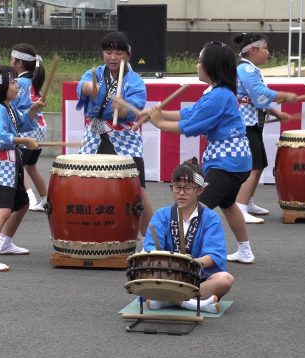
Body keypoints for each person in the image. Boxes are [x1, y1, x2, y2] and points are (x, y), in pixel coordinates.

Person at [142, 41, 256, 264]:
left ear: (210, 66)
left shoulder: (218, 96)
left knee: (196, 206)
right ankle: (245, 250)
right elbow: (190, 113)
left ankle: (187, 254)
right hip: (235, 161)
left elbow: (193, 126)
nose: (196, 65)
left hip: (227, 163)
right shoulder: (218, 93)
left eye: (200, 61)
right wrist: (161, 114)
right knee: (228, 203)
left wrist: (159, 123)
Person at [76, 31, 153, 236]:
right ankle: (95, 232)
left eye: (118, 53)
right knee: (91, 184)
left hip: (124, 138)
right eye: (108, 52)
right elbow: (81, 87)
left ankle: (153, 239)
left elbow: (136, 108)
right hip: (95, 135)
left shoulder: (135, 81)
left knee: (137, 189)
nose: (112, 57)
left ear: (128, 55)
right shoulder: (95, 73)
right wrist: (88, 88)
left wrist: (124, 106)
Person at [0, 65, 46, 271]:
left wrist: (33, 110)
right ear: (1, 87)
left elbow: (23, 123)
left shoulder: (9, 107)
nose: (17, 85)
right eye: (13, 82)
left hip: (11, 162)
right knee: (3, 210)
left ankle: (4, 242)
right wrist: (23, 139)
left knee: (22, 203)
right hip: (0, 164)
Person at [142, 158, 234, 313]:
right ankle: (193, 303)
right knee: (144, 273)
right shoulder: (161, 215)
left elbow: (214, 255)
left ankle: (167, 301)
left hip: (198, 277)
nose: (181, 193)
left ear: (199, 190)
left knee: (225, 279)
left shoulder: (210, 218)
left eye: (188, 188)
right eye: (177, 188)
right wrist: (171, 264)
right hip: (167, 276)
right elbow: (150, 249)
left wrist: (190, 263)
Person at [233, 32, 298, 224]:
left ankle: (248, 201)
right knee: (254, 165)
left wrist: (277, 113)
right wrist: (284, 95)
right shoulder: (247, 70)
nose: (268, 53)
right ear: (252, 50)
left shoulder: (248, 69)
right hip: (245, 123)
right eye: (265, 48)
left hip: (251, 122)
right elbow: (259, 93)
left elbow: (257, 100)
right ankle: (240, 207)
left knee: (259, 164)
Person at [8, 43, 48, 212]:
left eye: (12, 59)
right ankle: (46, 200)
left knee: (17, 164)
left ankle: (29, 198)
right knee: (30, 166)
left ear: (18, 63)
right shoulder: (33, 80)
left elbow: (13, 104)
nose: (10, 62)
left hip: (27, 129)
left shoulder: (19, 83)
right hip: (39, 128)